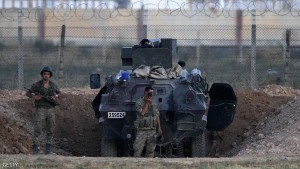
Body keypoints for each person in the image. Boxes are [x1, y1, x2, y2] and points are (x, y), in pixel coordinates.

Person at [26, 66, 60, 155]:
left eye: (48, 74)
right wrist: (34, 97)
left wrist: (55, 97)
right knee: (38, 128)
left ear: (50, 75)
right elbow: (28, 93)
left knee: (51, 128)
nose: (46, 76)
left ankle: (48, 149)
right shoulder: (37, 85)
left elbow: (59, 92)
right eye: (45, 74)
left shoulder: (53, 85)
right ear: (42, 75)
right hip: (41, 109)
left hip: (51, 109)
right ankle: (35, 148)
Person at [133, 86, 162, 157]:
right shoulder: (139, 102)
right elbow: (142, 113)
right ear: (145, 92)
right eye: (150, 92)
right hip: (142, 130)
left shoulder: (153, 103)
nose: (151, 94)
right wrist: (147, 103)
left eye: (152, 93)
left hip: (152, 129)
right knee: (137, 148)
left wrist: (159, 128)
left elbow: (157, 115)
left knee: (151, 149)